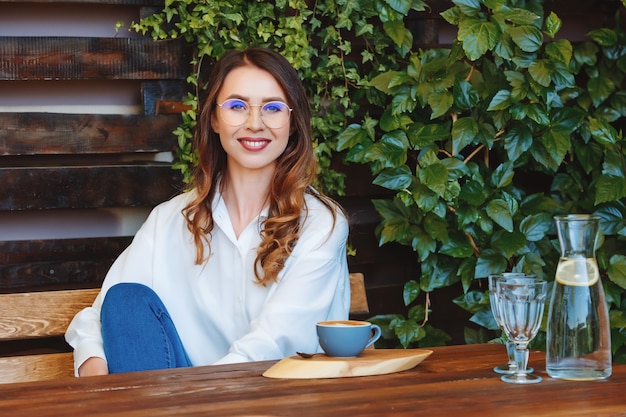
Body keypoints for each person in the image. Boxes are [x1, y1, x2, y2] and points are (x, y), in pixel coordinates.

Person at [65, 46, 350, 376]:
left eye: (272, 108)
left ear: (292, 121)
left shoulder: (320, 225)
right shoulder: (170, 219)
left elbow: (275, 343)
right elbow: (99, 316)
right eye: (237, 106)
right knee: (125, 300)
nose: (255, 123)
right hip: (173, 402)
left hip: (274, 399)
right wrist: (97, 380)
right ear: (214, 118)